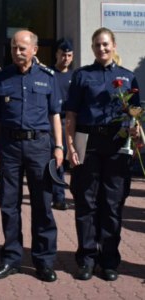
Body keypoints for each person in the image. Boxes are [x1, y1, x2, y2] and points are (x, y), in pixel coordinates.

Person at [0, 30, 63, 282]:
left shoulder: (48, 77)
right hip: (8, 146)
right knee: (9, 205)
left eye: (22, 48)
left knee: (42, 204)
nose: (17, 52)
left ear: (35, 50)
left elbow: (55, 115)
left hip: (40, 147)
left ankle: (43, 261)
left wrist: (59, 146)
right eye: (14, 48)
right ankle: (11, 258)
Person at [65, 27, 140, 281]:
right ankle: (86, 259)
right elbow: (71, 115)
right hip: (87, 140)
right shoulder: (82, 76)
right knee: (86, 203)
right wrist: (71, 147)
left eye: (105, 44)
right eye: (97, 45)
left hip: (117, 144)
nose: (101, 49)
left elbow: (135, 115)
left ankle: (109, 260)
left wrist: (136, 131)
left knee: (112, 203)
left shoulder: (128, 78)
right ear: (92, 47)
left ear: (114, 45)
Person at [50, 39, 73, 211]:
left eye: (69, 55)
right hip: (52, 121)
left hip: (70, 121)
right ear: (57, 55)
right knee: (56, 159)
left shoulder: (75, 76)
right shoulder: (49, 74)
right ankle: (58, 197)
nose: (65, 58)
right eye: (63, 54)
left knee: (68, 159)